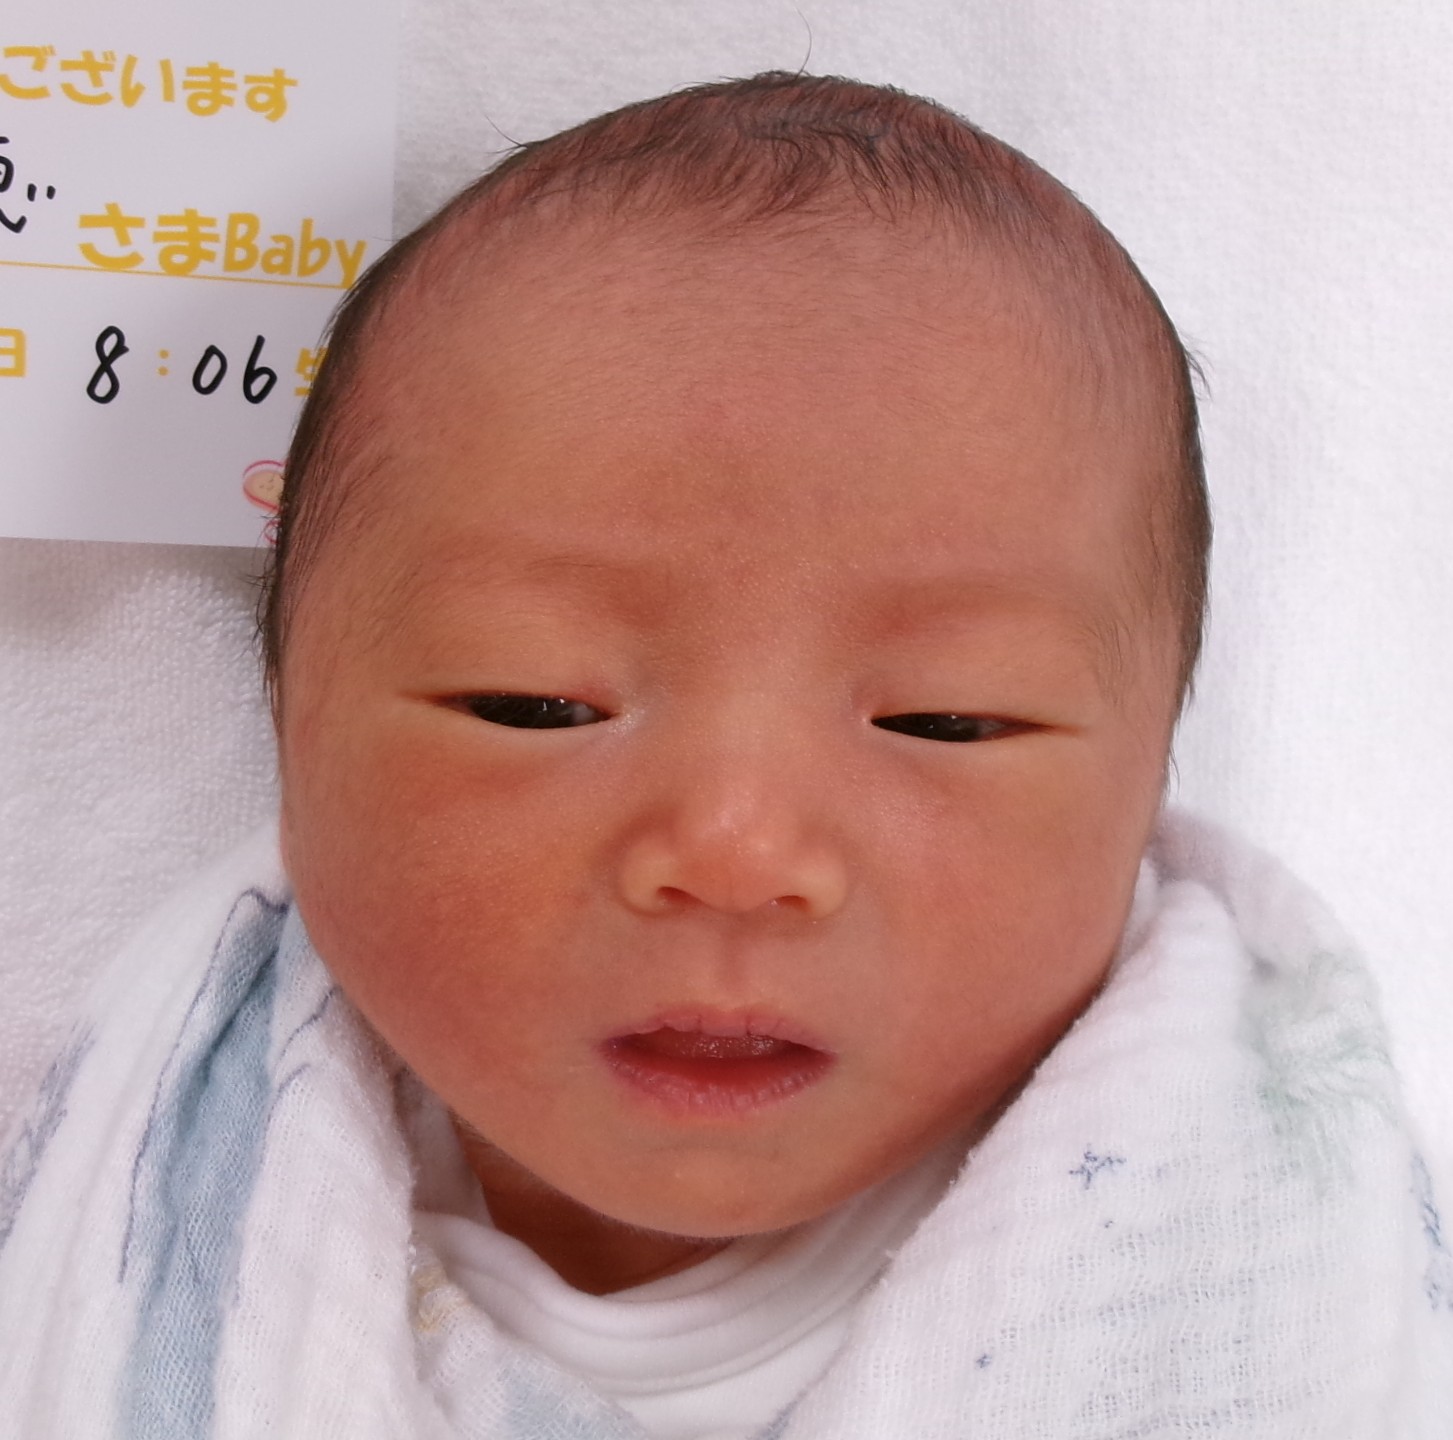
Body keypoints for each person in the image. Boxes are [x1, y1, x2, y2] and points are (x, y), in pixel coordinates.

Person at [1, 71, 1448, 1439]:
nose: (735, 850)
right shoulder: (161, 1186)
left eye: (946, 720)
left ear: (1147, 788)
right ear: (287, 724)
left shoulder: (1253, 1245)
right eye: (532, 703)